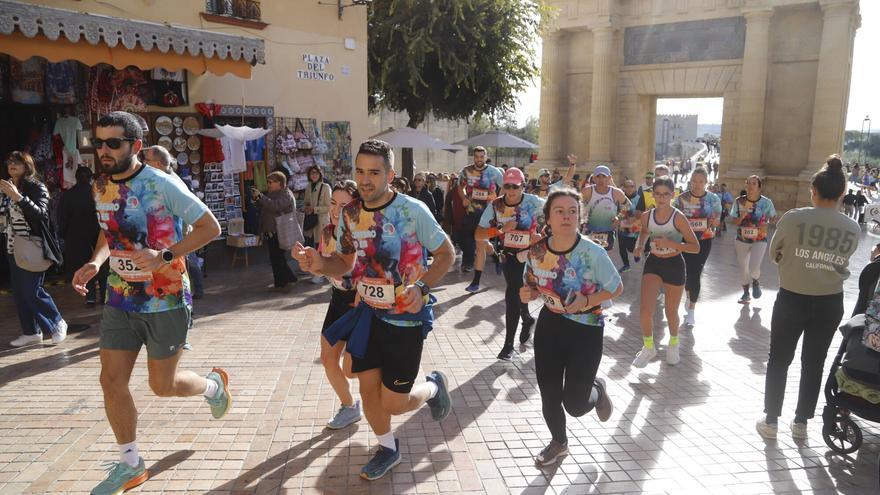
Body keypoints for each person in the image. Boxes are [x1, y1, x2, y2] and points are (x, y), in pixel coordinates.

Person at [70, 112, 229, 495]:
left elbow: (210, 227)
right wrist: (96, 262)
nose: (103, 151)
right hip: (120, 298)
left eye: (113, 143)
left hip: (165, 300)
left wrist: (166, 256)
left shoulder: (161, 183)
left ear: (135, 146)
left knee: (163, 385)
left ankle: (213, 387)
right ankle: (131, 464)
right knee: (111, 380)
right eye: (98, 143)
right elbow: (110, 231)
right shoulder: (100, 185)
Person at [293, 139, 455, 481]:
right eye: (360, 171)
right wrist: (318, 263)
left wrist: (422, 287)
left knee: (394, 403)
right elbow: (344, 262)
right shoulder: (350, 214)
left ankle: (433, 388)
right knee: (369, 392)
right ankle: (388, 448)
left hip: (405, 320)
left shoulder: (412, 210)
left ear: (390, 175)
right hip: (369, 315)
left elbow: (446, 254)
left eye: (374, 172)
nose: (365, 180)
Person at [757, 155, 860, 440]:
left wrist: (794, 261)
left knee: (779, 359)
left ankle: (771, 421)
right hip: (830, 301)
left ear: (813, 190)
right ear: (842, 193)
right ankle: (801, 422)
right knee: (814, 362)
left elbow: (774, 254)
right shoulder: (852, 228)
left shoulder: (793, 218)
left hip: (792, 297)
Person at [520, 188, 622, 466]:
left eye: (572, 211)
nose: (566, 216)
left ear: (580, 216)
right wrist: (528, 293)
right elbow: (531, 283)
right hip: (550, 326)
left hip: (586, 330)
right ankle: (559, 442)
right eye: (559, 211)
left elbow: (616, 288)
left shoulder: (592, 252)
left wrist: (587, 300)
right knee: (549, 393)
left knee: (575, 406)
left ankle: (597, 390)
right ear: (548, 217)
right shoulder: (537, 250)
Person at [476, 167, 545, 360]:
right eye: (507, 186)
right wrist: (500, 229)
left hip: (530, 254)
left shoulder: (533, 201)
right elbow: (478, 233)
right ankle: (524, 323)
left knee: (516, 292)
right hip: (508, 255)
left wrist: (542, 235)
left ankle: (511, 342)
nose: (511, 190)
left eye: (516, 186)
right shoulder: (496, 205)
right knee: (514, 290)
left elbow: (554, 212)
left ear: (523, 186)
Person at [632, 176, 700, 368]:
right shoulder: (646, 216)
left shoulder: (678, 217)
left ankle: (673, 343)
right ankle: (648, 348)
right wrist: (639, 245)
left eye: (666, 194)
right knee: (645, 310)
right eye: (658, 194)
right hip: (654, 263)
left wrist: (672, 243)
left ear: (672, 195)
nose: (661, 198)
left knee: (671, 312)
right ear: (653, 195)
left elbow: (695, 247)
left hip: (674, 264)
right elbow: (644, 232)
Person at [0, 151, 67, 347]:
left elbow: (40, 214)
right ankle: (31, 332)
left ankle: (57, 322)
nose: (12, 164)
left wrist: (18, 197)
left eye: (17, 162)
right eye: (10, 161)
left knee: (32, 290)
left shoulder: (36, 186)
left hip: (32, 244)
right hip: (12, 245)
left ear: (27, 166)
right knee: (19, 291)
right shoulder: (6, 185)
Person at [318, 180, 362, 429]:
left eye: (344, 206)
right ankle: (349, 406)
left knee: (351, 370)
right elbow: (325, 266)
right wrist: (309, 260)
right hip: (337, 300)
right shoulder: (327, 233)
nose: (336, 211)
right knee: (327, 358)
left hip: (360, 304)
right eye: (333, 203)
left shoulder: (363, 234)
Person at [142, 145, 204, 299]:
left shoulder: (172, 182)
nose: (143, 163)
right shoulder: (161, 179)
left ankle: (192, 292)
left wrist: (185, 232)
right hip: (171, 235)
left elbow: (196, 216)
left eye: (147, 160)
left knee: (187, 262)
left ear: (157, 163)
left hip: (178, 234)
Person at [674, 167, 722, 326]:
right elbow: (674, 218)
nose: (697, 184)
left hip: (704, 240)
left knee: (695, 273)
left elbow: (717, 219)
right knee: (686, 272)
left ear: (706, 182)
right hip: (685, 240)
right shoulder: (681, 199)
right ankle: (689, 295)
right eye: (694, 180)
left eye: (701, 181)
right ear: (690, 181)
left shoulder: (713, 199)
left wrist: (716, 221)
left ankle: (691, 311)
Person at [58, 166, 108, 305]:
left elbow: (61, 219)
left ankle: (89, 297)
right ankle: (104, 295)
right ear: (91, 178)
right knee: (102, 265)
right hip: (98, 233)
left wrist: (65, 236)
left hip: (76, 236)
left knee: (85, 265)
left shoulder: (68, 195)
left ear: (76, 178)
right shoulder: (97, 193)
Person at [458, 146, 503, 281]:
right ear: (473, 157)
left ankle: (495, 256)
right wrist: (464, 198)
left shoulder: (494, 172)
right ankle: (468, 263)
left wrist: (498, 201)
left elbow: (504, 186)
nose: (479, 159)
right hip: (471, 210)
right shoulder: (466, 171)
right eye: (477, 157)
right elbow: (460, 187)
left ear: (485, 157)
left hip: (488, 213)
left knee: (482, 240)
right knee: (466, 236)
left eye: (482, 157)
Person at [731, 175, 777, 304]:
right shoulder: (739, 201)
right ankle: (746, 294)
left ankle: (755, 280)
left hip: (760, 239)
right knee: (743, 268)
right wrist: (742, 216)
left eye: (754, 184)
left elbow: (773, 217)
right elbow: (734, 221)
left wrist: (767, 223)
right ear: (746, 185)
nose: (751, 186)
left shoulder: (766, 202)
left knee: (753, 268)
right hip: (741, 239)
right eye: (749, 183)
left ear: (759, 187)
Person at [253, 172, 298, 288]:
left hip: (279, 231)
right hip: (271, 230)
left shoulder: (286, 194)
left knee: (278, 257)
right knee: (275, 257)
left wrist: (261, 197)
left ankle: (289, 279)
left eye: (270, 182)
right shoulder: (273, 193)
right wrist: (257, 199)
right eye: (268, 182)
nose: (268, 185)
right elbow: (266, 206)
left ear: (279, 183)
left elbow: (275, 206)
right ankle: (281, 281)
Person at [581, 164, 631, 252]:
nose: (601, 180)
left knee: (604, 255)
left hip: (608, 231)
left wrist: (619, 218)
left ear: (609, 178)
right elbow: (577, 206)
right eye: (598, 176)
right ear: (594, 178)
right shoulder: (587, 191)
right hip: (590, 230)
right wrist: (583, 219)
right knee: (590, 255)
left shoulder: (616, 192)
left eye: (604, 176)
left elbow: (628, 205)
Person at [616, 179, 641, 272]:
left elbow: (642, 212)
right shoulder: (620, 198)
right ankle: (626, 265)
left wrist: (634, 217)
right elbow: (616, 210)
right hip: (622, 227)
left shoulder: (639, 199)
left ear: (635, 188)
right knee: (622, 248)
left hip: (634, 228)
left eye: (632, 186)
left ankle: (636, 253)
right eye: (627, 186)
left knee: (631, 248)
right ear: (624, 188)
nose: (629, 188)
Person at [303, 165, 330, 247]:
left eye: (316, 173)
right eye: (312, 173)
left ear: (320, 174)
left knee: (320, 247)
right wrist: (306, 208)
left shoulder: (325, 187)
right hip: (310, 222)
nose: (314, 175)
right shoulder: (308, 186)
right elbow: (306, 202)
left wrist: (314, 209)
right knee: (308, 247)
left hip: (321, 222)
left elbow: (329, 207)